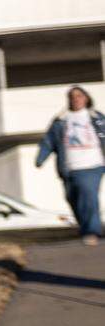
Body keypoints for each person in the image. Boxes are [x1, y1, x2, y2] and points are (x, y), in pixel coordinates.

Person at [37, 85, 105, 245]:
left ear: (86, 98)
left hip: (92, 165)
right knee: (72, 198)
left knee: (88, 195)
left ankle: (92, 231)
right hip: (68, 168)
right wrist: (40, 158)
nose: (76, 99)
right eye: (72, 96)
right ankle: (85, 227)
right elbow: (48, 141)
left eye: (79, 96)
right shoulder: (61, 121)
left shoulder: (97, 118)